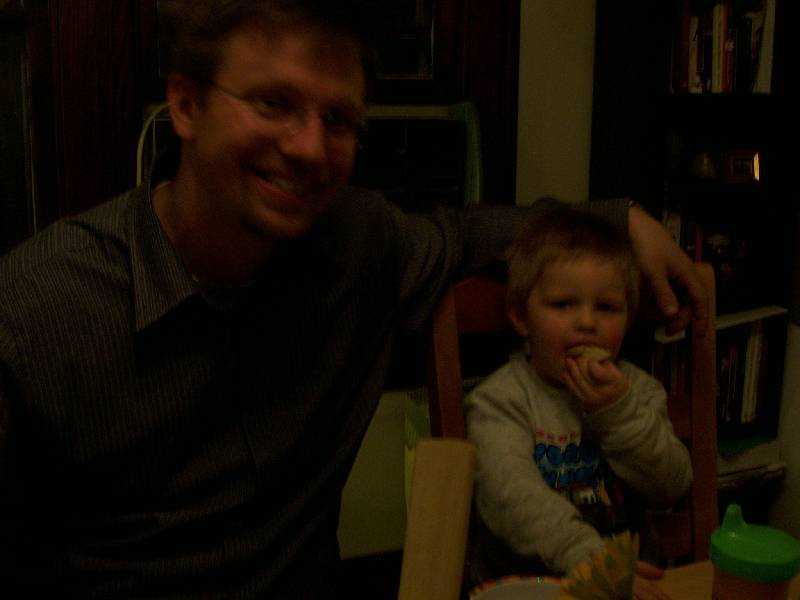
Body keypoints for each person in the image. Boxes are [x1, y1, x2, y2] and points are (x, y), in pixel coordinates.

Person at [0, 1, 705, 597]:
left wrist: (620, 217)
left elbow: (473, 233)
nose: (310, 148)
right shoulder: (41, 303)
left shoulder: (360, 245)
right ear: (186, 104)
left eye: (338, 120)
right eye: (274, 103)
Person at [465, 207, 693, 600]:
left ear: (628, 319)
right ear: (521, 316)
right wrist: (586, 556)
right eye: (563, 304)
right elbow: (512, 500)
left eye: (606, 308)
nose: (587, 323)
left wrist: (617, 413)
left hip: (630, 585)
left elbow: (671, 486)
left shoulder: (638, 391)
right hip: (529, 586)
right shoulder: (499, 401)